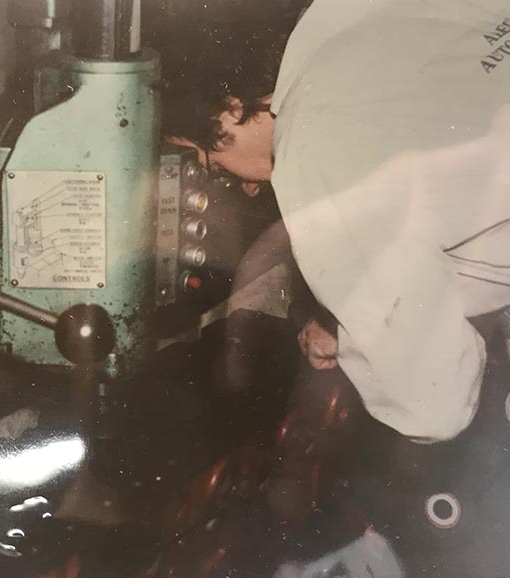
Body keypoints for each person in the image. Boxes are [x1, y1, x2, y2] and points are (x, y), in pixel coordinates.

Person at [161, 0, 510, 444]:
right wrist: (355, 320)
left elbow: (433, 403)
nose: (246, 189)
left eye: (213, 167)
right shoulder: (348, 22)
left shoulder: (314, 150)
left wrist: (371, 339)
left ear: (228, 111)